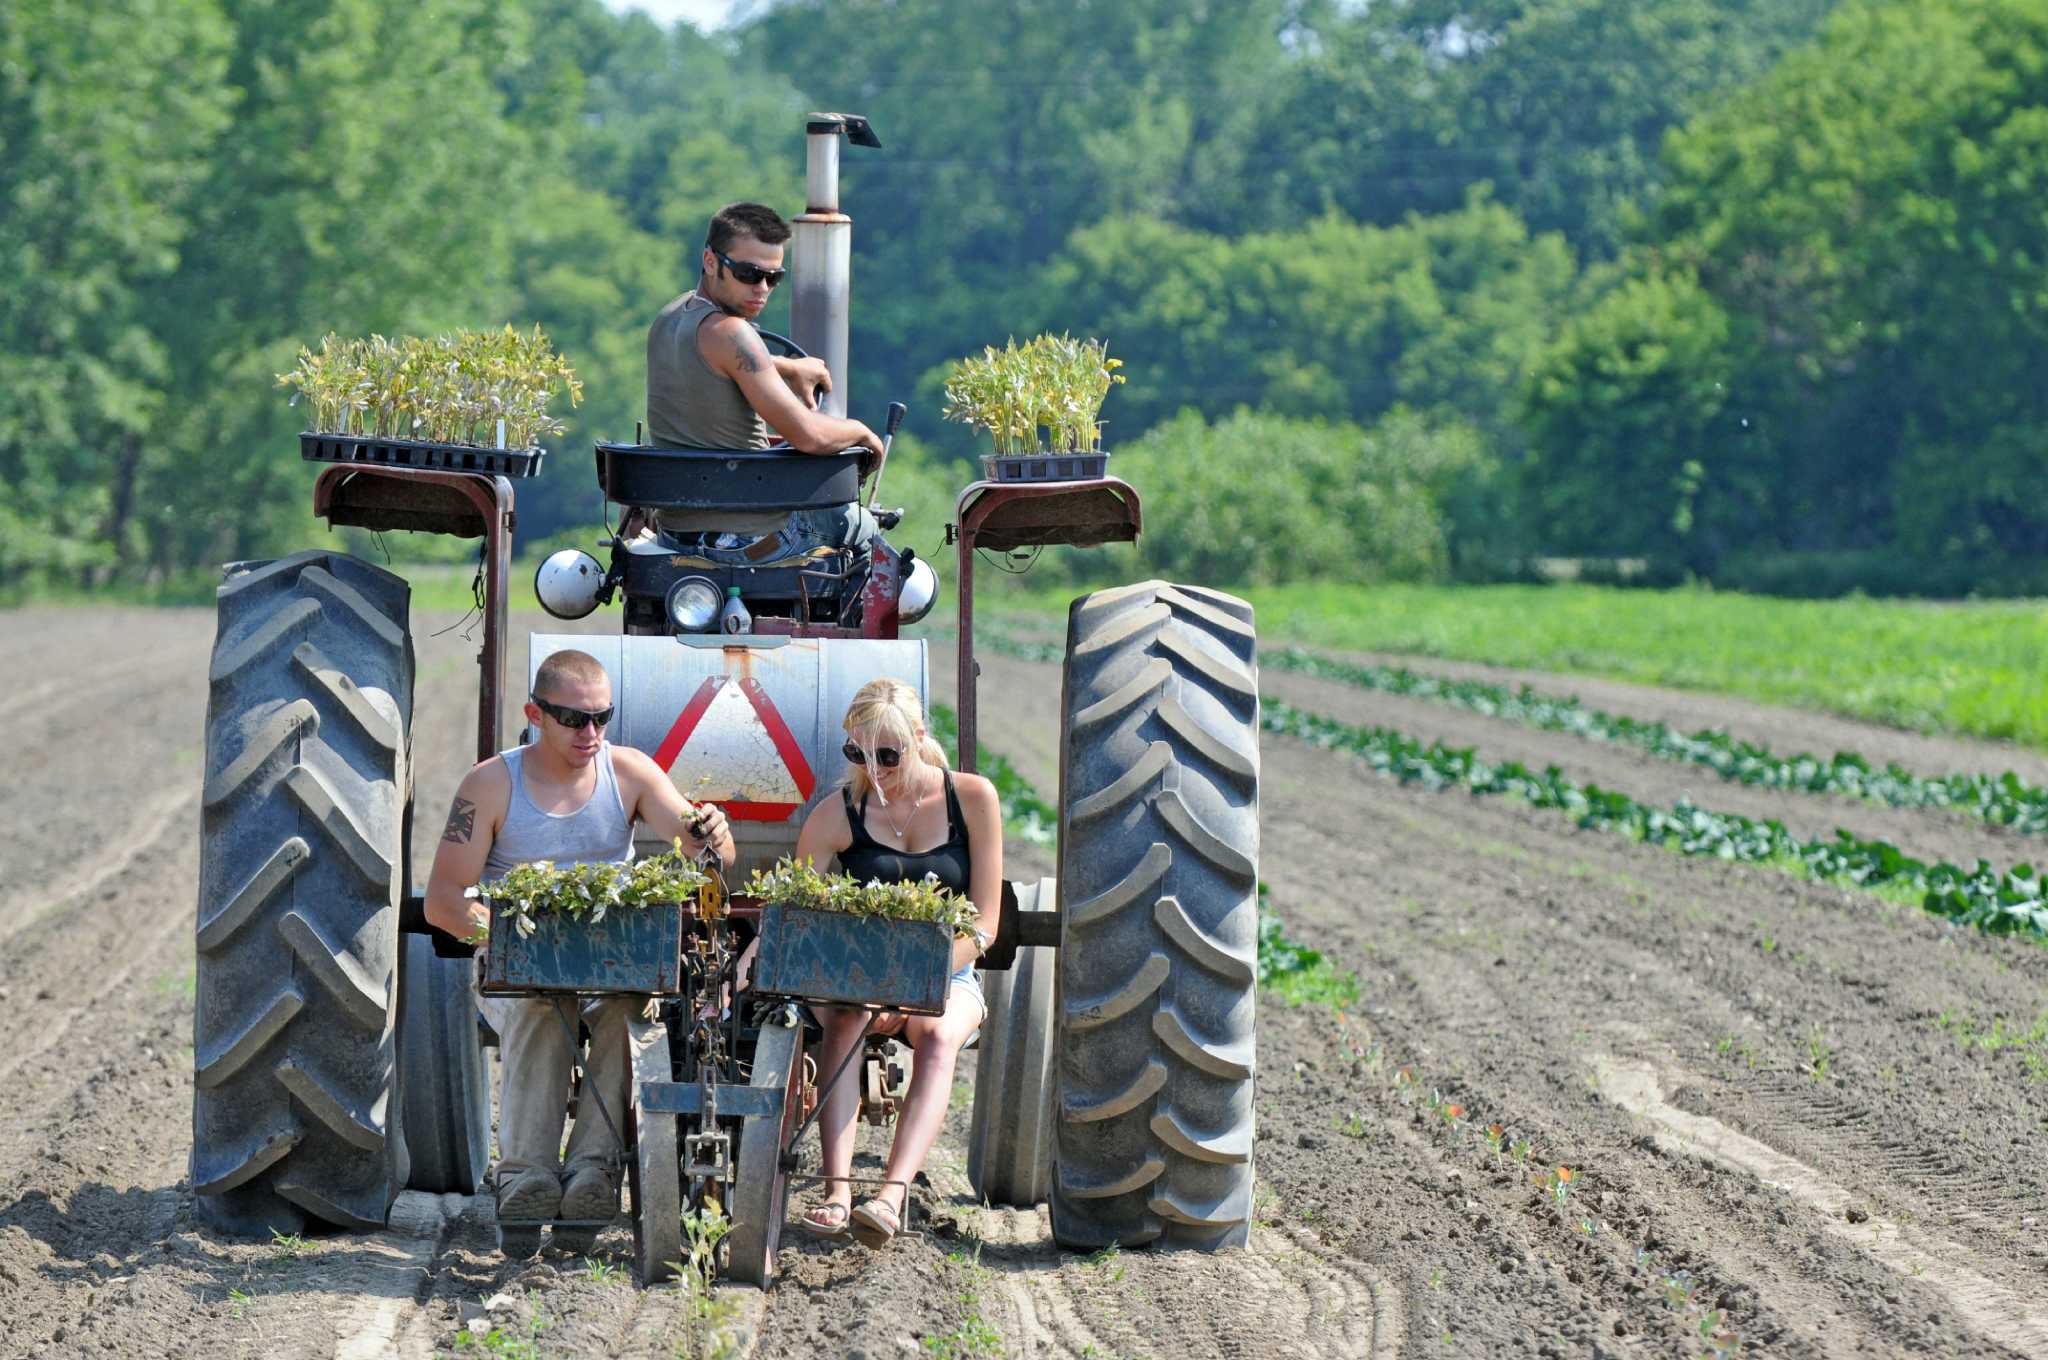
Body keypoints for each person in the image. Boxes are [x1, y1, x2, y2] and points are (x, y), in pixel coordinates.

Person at [424, 648, 735, 1255]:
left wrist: (713, 837)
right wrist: (518, 944)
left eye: (602, 717)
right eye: (572, 719)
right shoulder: (490, 785)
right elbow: (442, 901)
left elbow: (704, 856)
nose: (589, 733)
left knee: (628, 1011)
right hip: (517, 970)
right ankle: (525, 1180)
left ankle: (593, 1175)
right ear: (534, 714)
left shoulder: (632, 774)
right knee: (544, 1007)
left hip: (608, 967)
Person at [790, 678, 1002, 1248]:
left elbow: (985, 920)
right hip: (860, 973)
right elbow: (801, 915)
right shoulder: (836, 815)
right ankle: (837, 1193)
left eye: (888, 755)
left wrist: (918, 984)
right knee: (844, 1018)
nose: (875, 768)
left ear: (919, 739)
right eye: (859, 754)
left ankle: (890, 1193)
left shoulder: (972, 798)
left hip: (947, 970)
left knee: (937, 1033)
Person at [644, 200, 885, 564]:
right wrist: (860, 431)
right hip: (749, 540)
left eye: (774, 277)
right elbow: (810, 436)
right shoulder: (735, 334)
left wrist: (787, 368)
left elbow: (722, 361)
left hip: (677, 533)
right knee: (863, 527)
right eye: (749, 273)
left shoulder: (671, 316)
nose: (763, 288)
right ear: (711, 261)